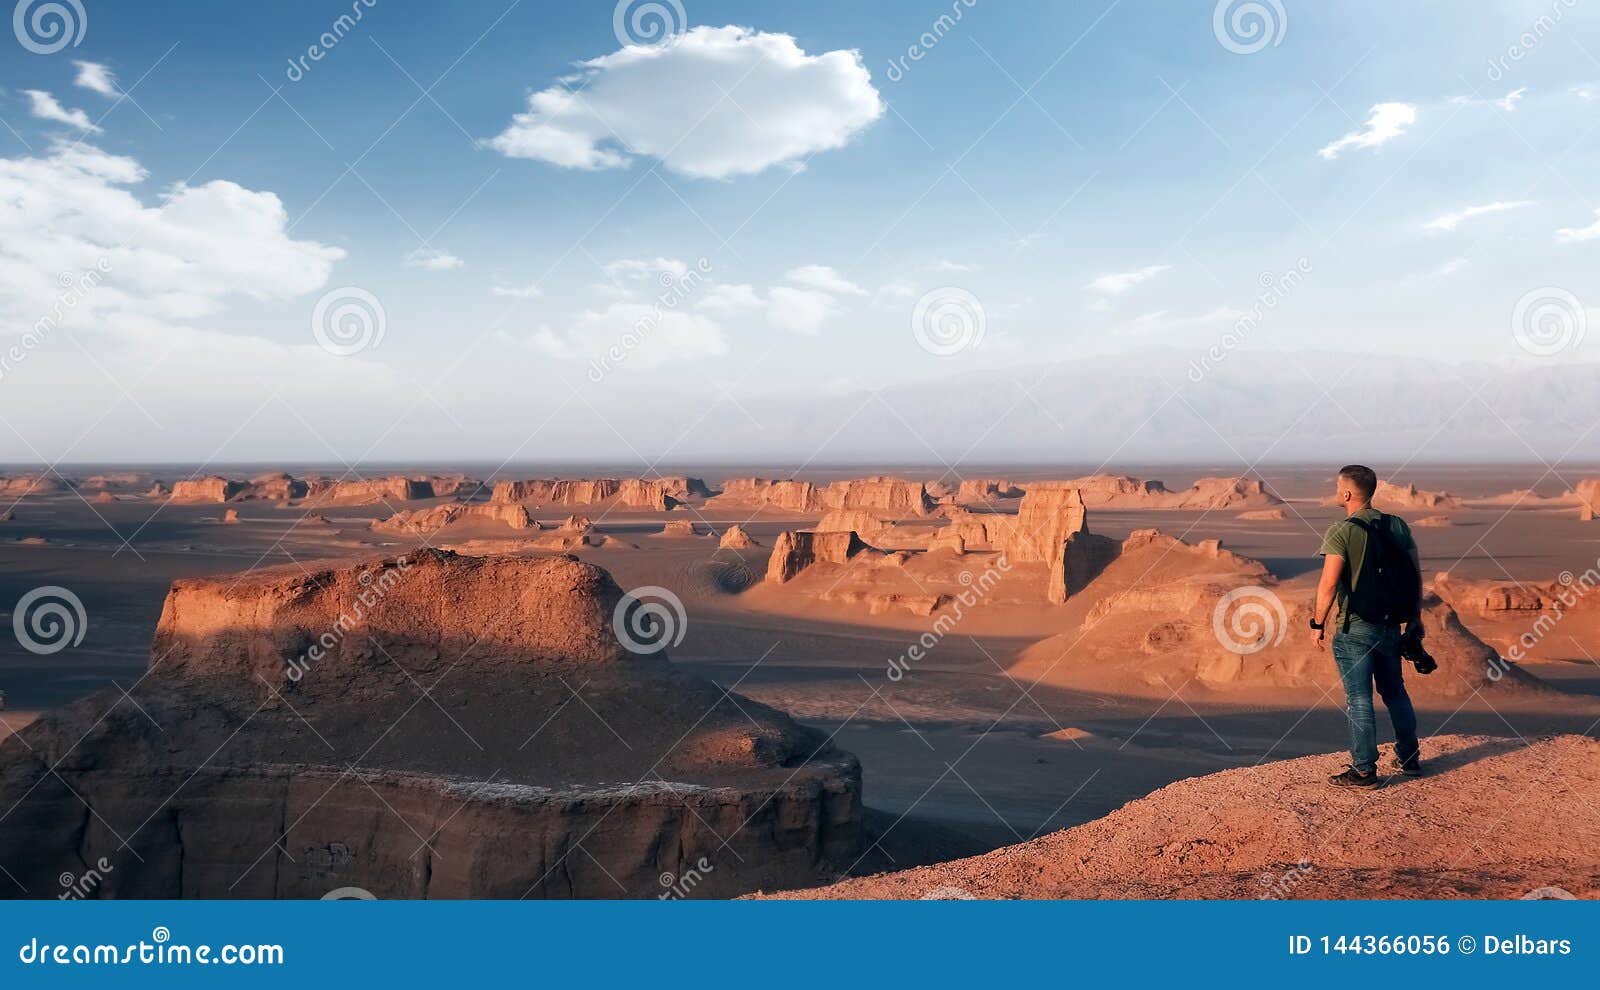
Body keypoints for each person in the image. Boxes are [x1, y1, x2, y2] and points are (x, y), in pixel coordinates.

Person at [1310, 465, 1423, 786]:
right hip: (1390, 625)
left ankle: (1363, 770)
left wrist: (1317, 623)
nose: (1336, 492)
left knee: (1359, 698)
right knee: (1395, 692)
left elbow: (1328, 584)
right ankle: (1410, 758)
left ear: (1346, 493)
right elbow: (1415, 576)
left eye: (1337, 487)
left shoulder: (1341, 530)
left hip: (1354, 628)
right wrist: (1415, 618)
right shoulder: (1396, 525)